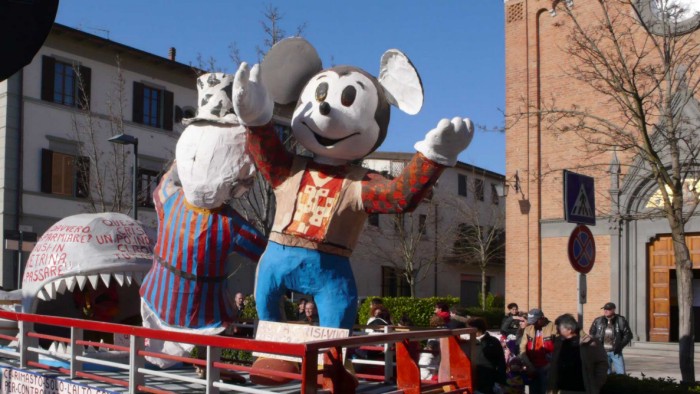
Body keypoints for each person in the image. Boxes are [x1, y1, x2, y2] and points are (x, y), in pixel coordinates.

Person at [548, 314, 608, 394]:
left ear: (569, 329)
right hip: (560, 389)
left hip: (581, 389)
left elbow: (602, 364)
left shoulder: (590, 344)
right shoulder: (559, 343)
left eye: (559, 328)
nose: (557, 331)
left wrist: (596, 384)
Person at [588, 302, 633, 375]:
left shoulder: (620, 320)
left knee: (621, 374)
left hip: (615, 352)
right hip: (602, 352)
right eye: (605, 309)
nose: (606, 311)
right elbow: (592, 333)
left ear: (613, 310)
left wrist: (620, 346)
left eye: (608, 309)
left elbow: (628, 335)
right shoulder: (598, 321)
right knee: (605, 374)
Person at [519, 308, 557, 394]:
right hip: (533, 367)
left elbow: (559, 349)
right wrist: (528, 365)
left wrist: (551, 365)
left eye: (535, 321)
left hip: (548, 368)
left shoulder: (553, 328)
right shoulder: (528, 329)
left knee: (547, 391)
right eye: (531, 322)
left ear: (542, 318)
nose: (533, 324)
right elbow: (522, 348)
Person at [467, 317, 507, 394]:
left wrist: (501, 381)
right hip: (474, 380)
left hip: (490, 379)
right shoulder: (469, 342)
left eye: (470, 329)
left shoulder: (493, 342)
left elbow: (501, 362)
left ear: (478, 329)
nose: (469, 331)